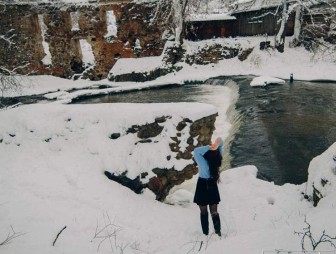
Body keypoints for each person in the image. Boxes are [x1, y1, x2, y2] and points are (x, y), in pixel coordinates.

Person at [193, 137, 223, 236]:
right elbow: (221, 141)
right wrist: (217, 145)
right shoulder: (217, 161)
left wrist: (210, 147)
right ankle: (218, 233)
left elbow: (196, 151)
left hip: (202, 185)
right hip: (212, 184)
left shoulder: (204, 163)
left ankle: (205, 234)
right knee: (214, 212)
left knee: (203, 212)